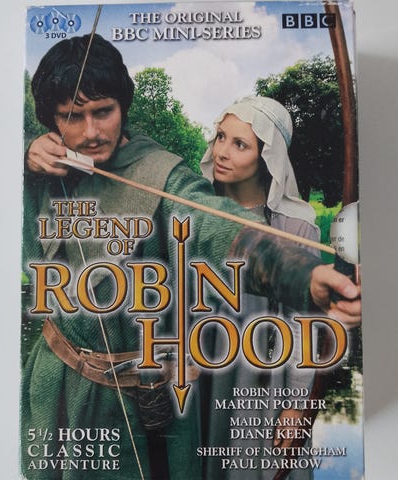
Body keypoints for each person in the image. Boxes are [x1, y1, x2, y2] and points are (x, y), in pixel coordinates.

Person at [22, 34, 361, 480]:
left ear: (123, 106)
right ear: (50, 119)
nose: (91, 132)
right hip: (57, 382)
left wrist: (307, 278)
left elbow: (216, 227)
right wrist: (23, 155)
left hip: (148, 397)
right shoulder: (43, 163)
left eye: (103, 111)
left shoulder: (162, 173)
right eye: (71, 116)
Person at [199, 97, 322, 480]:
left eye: (240, 144)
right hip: (202, 366)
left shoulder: (296, 223)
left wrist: (296, 405)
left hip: (263, 374)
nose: (222, 152)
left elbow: (303, 323)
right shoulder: (198, 208)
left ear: (267, 157)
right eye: (221, 137)